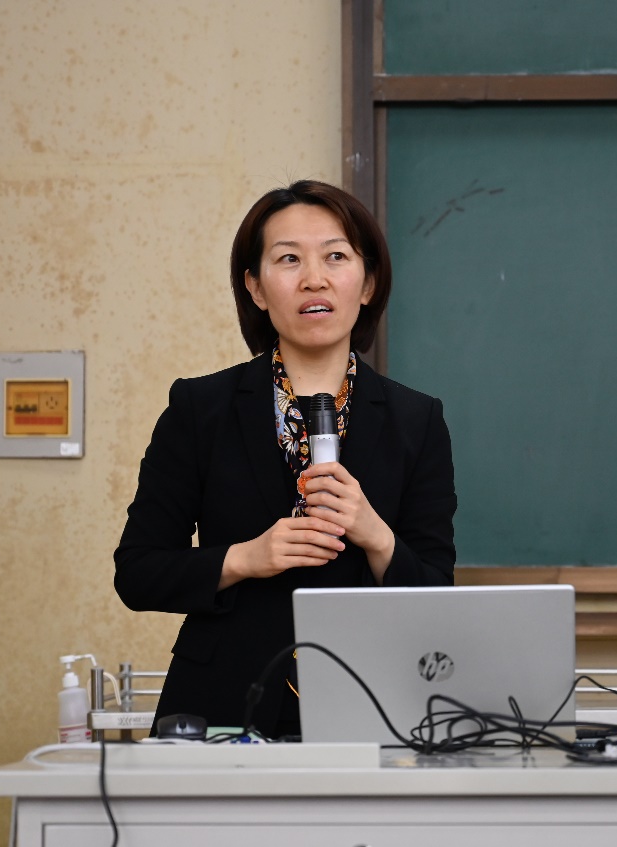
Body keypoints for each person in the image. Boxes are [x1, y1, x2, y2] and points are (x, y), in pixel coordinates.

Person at [114, 180, 457, 738]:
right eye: (289, 259)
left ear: (368, 284)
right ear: (255, 286)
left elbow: (437, 597)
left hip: (375, 708)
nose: (314, 278)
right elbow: (138, 573)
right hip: (223, 705)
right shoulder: (199, 408)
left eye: (336, 257)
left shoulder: (417, 420)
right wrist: (246, 558)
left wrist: (375, 535)